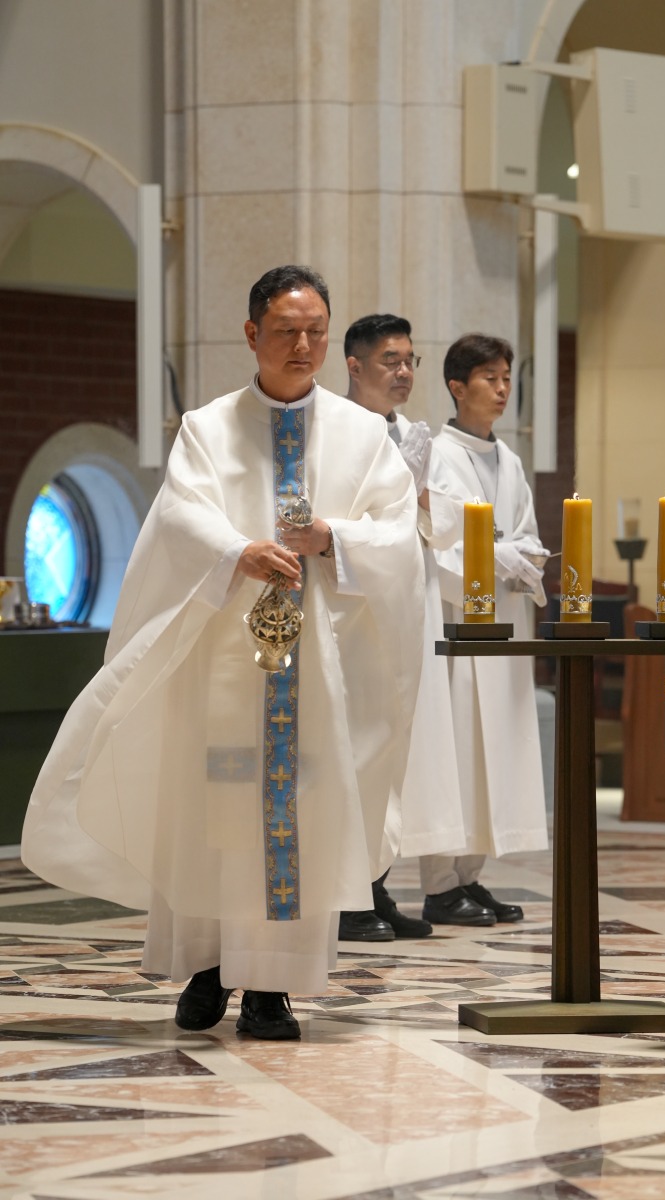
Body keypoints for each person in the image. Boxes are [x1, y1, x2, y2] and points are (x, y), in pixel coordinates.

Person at [21, 265, 424, 1040]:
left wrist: (332, 538)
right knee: (215, 812)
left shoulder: (363, 435)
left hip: (318, 672)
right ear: (251, 333)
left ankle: (270, 988)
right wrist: (238, 550)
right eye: (287, 331)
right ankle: (208, 966)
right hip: (223, 662)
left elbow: (398, 534)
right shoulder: (207, 428)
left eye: (315, 331)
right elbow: (179, 515)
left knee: (297, 818)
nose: (303, 345)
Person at [342, 313, 466, 940]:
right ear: (354, 366)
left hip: (410, 607)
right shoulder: (334, 431)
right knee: (357, 750)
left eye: (411, 360)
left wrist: (418, 497)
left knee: (398, 750)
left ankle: (375, 884)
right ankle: (346, 895)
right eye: (391, 360)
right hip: (356, 610)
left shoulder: (414, 436)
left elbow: (446, 524)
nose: (404, 372)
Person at [421, 333, 549, 926]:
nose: (502, 390)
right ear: (457, 385)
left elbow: (527, 538)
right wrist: (502, 556)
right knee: (457, 749)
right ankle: (440, 885)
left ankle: (469, 878)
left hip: (506, 623)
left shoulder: (511, 462)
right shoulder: (436, 456)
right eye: (489, 378)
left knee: (493, 747)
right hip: (460, 624)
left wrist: (515, 557)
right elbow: (437, 545)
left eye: (506, 378)